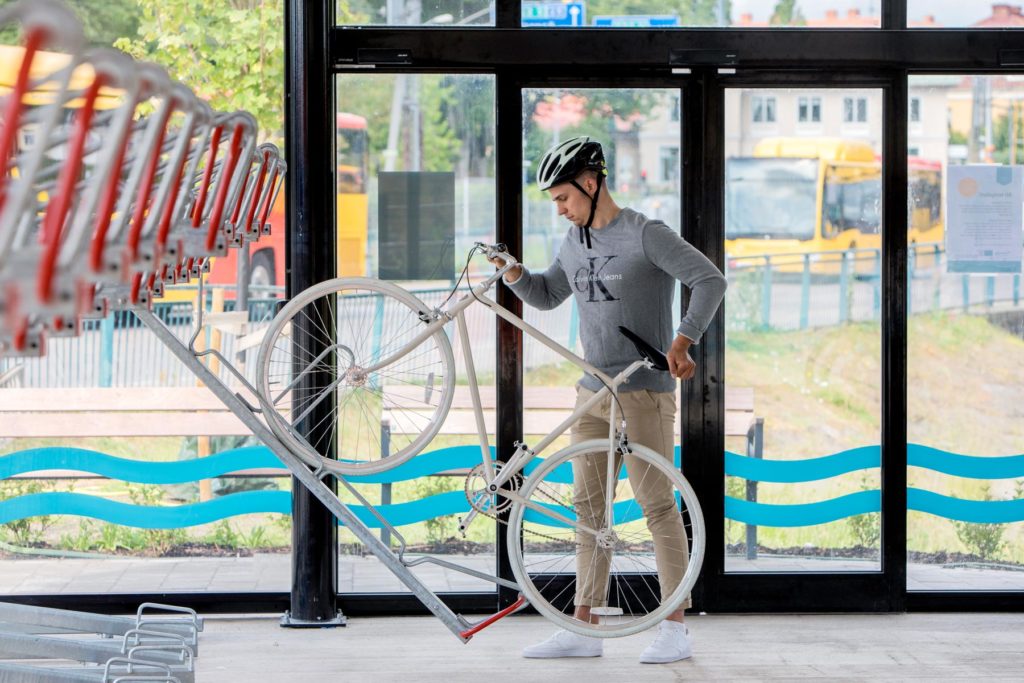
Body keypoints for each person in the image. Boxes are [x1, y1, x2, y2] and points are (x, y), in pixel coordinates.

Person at [493, 136, 727, 664]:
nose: (559, 209)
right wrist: (513, 273)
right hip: (592, 393)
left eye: (563, 198)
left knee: (658, 506)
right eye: (554, 201)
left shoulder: (647, 233)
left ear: (592, 183)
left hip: (644, 392)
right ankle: (584, 626)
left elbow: (709, 281)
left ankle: (675, 627)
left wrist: (683, 341)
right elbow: (550, 293)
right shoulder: (575, 241)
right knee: (588, 510)